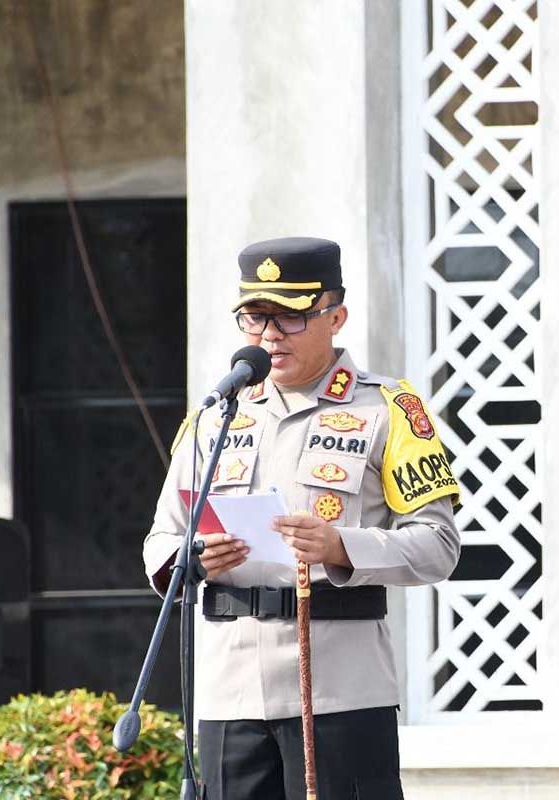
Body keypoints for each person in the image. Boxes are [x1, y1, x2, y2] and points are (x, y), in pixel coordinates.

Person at [143, 237, 460, 799]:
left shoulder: (388, 409)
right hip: (230, 688)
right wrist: (192, 558)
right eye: (255, 318)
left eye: (289, 317)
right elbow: (162, 537)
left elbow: (438, 546)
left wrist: (342, 547)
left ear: (335, 316)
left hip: (339, 689)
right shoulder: (214, 418)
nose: (269, 336)